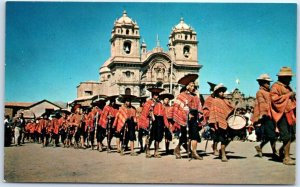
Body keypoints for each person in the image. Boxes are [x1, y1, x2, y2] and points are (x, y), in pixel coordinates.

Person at [173, 74, 204, 160]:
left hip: (194, 118)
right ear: (187, 87)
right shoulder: (181, 96)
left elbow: (199, 107)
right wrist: (186, 114)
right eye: (191, 85)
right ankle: (177, 149)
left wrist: (200, 115)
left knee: (195, 135)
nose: (193, 86)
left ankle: (194, 152)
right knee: (183, 137)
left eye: (193, 85)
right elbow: (176, 108)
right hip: (185, 119)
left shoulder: (196, 97)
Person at [270, 67, 296, 165]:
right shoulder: (275, 87)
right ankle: (286, 158)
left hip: (289, 113)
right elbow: (274, 99)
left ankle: (283, 152)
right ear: (283, 77)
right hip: (281, 115)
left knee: (291, 136)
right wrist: (288, 96)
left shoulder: (287, 87)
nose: (290, 79)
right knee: (286, 136)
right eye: (289, 77)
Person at [251, 74, 277, 158]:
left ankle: (262, 147)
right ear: (262, 83)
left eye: (269, 83)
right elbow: (262, 104)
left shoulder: (270, 92)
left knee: (272, 135)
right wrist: (264, 114)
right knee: (271, 135)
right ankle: (274, 152)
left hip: (273, 115)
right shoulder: (260, 92)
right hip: (266, 116)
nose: (268, 84)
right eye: (267, 83)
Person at [208, 83, 234, 162]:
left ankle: (221, 151)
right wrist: (213, 124)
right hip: (219, 123)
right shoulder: (215, 101)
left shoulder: (225, 101)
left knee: (228, 138)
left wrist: (234, 108)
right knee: (222, 139)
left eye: (222, 91)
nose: (222, 93)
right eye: (220, 92)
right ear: (217, 93)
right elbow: (213, 113)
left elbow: (230, 109)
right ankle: (223, 154)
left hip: (227, 122)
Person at [138, 88, 165, 158]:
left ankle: (156, 152)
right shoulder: (148, 102)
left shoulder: (160, 103)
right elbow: (144, 112)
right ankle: (147, 151)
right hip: (151, 121)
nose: (157, 96)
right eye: (155, 95)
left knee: (158, 137)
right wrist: (149, 114)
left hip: (159, 120)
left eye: (158, 95)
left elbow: (163, 112)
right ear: (152, 95)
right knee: (150, 136)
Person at [203, 81, 219, 156]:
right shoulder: (208, 100)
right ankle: (215, 149)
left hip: (219, 120)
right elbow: (205, 110)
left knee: (221, 135)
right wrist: (209, 116)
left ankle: (214, 146)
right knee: (214, 135)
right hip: (212, 120)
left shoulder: (218, 99)